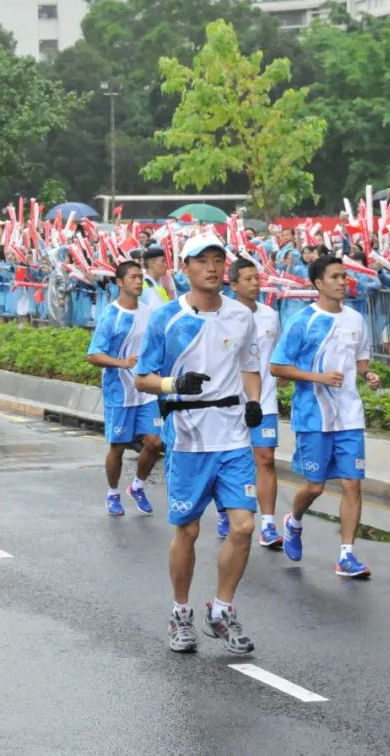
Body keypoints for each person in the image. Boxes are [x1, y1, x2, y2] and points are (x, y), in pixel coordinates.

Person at [134, 233, 263, 655]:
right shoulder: (166, 319)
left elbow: (249, 366)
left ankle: (222, 610)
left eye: (217, 259)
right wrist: (174, 384)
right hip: (188, 436)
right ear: (184, 268)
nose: (211, 267)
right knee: (187, 529)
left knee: (244, 525)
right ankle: (180, 612)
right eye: (201, 260)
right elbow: (142, 377)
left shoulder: (242, 316)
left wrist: (255, 403)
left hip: (233, 437)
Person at [270, 256, 382, 577]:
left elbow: (360, 362)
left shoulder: (356, 320)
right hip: (313, 416)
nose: (342, 282)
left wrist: (370, 374)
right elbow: (278, 366)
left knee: (352, 484)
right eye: (334, 277)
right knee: (315, 487)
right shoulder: (302, 321)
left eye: (344, 276)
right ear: (318, 283)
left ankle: (347, 555)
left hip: (349, 415)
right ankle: (294, 520)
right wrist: (319, 378)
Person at [85, 260, 163, 516]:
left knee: (154, 442)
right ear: (120, 282)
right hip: (119, 391)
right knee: (117, 447)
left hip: (146, 390)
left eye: (141, 277)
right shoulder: (111, 315)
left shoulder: (149, 312)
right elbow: (94, 355)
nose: (139, 281)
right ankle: (112, 493)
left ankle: (138, 486)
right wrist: (122, 363)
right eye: (133, 277)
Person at [215, 258, 283, 549]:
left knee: (265, 459)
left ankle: (268, 524)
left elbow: (273, 357)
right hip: (228, 404)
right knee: (226, 462)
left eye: (257, 278)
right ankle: (224, 509)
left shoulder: (270, 315)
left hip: (263, 401)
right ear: (233, 285)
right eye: (248, 279)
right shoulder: (221, 316)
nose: (255, 284)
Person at [140, 246, 172, 312]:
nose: (166, 265)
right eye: (162, 261)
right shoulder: (148, 286)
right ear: (152, 265)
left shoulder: (157, 282)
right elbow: (159, 313)